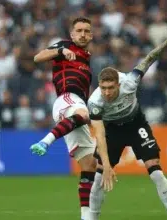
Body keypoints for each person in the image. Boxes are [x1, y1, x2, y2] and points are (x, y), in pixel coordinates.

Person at [87, 21, 167, 220]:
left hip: (135, 124)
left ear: (118, 84)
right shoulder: (95, 101)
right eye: (103, 88)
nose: (107, 92)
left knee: (155, 171)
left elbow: (151, 57)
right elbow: (100, 134)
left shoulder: (130, 81)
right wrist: (107, 166)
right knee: (98, 179)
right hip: (111, 129)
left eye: (110, 88)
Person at [29, 17, 115, 220]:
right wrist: (60, 51)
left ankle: (87, 218)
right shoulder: (65, 46)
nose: (83, 34)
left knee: (89, 166)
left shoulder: (86, 58)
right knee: (82, 114)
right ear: (72, 34)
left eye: (87, 31)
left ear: (91, 35)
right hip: (66, 99)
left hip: (77, 106)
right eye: (79, 30)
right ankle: (46, 140)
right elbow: (37, 58)